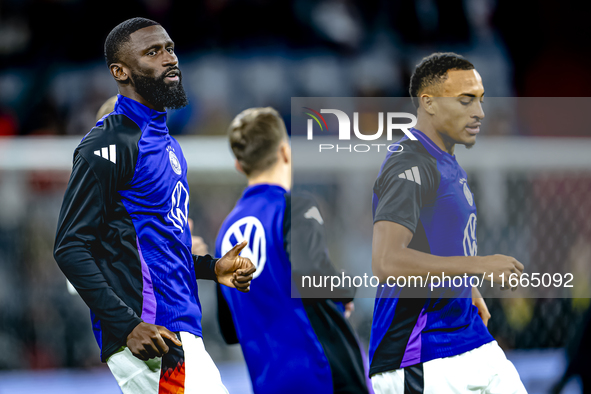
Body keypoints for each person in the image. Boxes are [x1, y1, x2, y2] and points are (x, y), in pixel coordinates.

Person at [53, 17, 255, 394]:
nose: (169, 58)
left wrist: (213, 268)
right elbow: (70, 246)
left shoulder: (167, 143)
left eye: (170, 48)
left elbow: (152, 248)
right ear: (121, 71)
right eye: (152, 52)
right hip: (153, 333)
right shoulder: (111, 140)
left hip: (179, 329)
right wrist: (127, 325)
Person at [369, 53, 527, 393]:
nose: (479, 113)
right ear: (429, 103)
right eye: (465, 100)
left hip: (469, 336)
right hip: (422, 352)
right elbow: (386, 262)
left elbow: (434, 243)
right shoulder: (408, 164)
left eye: (481, 100)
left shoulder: (447, 162)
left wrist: (468, 285)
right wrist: (479, 265)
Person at [215, 107, 370, 394]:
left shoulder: (225, 233)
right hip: (323, 374)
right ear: (286, 152)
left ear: (239, 165)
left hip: (268, 382)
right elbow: (313, 274)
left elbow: (229, 327)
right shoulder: (295, 208)